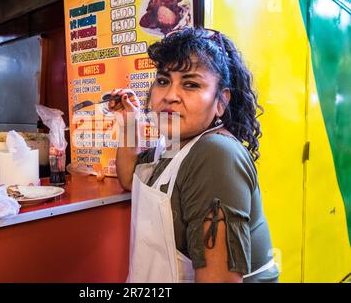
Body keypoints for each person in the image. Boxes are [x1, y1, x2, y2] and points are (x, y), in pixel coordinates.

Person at [109, 27, 279, 283]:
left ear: (221, 101)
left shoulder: (216, 155)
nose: (170, 96)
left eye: (191, 84)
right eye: (163, 81)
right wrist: (129, 123)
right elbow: (129, 177)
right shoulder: (174, 143)